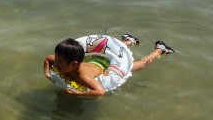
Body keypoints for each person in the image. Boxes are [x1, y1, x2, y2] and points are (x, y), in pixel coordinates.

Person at [43, 34, 174, 96]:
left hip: (107, 66)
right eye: (57, 59)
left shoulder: (83, 76)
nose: (56, 63)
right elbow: (48, 59)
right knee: (114, 53)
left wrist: (80, 93)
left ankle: (160, 49)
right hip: (95, 59)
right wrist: (47, 73)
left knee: (140, 65)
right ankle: (130, 41)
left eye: (59, 61)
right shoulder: (61, 63)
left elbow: (100, 91)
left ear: (73, 64)